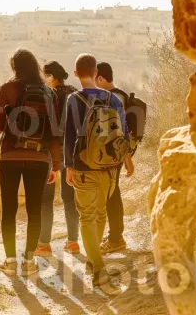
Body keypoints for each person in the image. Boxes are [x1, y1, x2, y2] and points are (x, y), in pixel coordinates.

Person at [0, 48, 61, 277]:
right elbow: (54, 133)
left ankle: (10, 261)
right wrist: (56, 165)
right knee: (34, 210)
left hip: (10, 157)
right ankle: (29, 262)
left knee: (9, 209)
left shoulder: (6, 89)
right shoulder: (48, 92)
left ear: (15, 67)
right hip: (39, 159)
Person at [64, 53, 129, 287]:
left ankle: (98, 268)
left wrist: (68, 166)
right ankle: (94, 260)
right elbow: (124, 134)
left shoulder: (74, 99)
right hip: (110, 168)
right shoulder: (114, 99)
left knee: (87, 216)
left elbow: (69, 135)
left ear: (75, 73)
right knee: (100, 213)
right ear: (95, 73)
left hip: (83, 166)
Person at [34, 61, 80, 257]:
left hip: (49, 152)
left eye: (45, 75)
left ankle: (44, 244)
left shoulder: (46, 94)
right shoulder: (75, 93)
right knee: (70, 199)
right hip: (71, 152)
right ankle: (73, 243)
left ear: (51, 76)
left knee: (46, 199)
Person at [95, 62, 135, 254]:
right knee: (113, 192)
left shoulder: (112, 97)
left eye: (96, 80)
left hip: (112, 154)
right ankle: (116, 235)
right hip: (117, 153)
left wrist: (127, 158)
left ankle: (116, 238)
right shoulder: (120, 94)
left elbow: (119, 131)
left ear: (101, 78)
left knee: (111, 194)